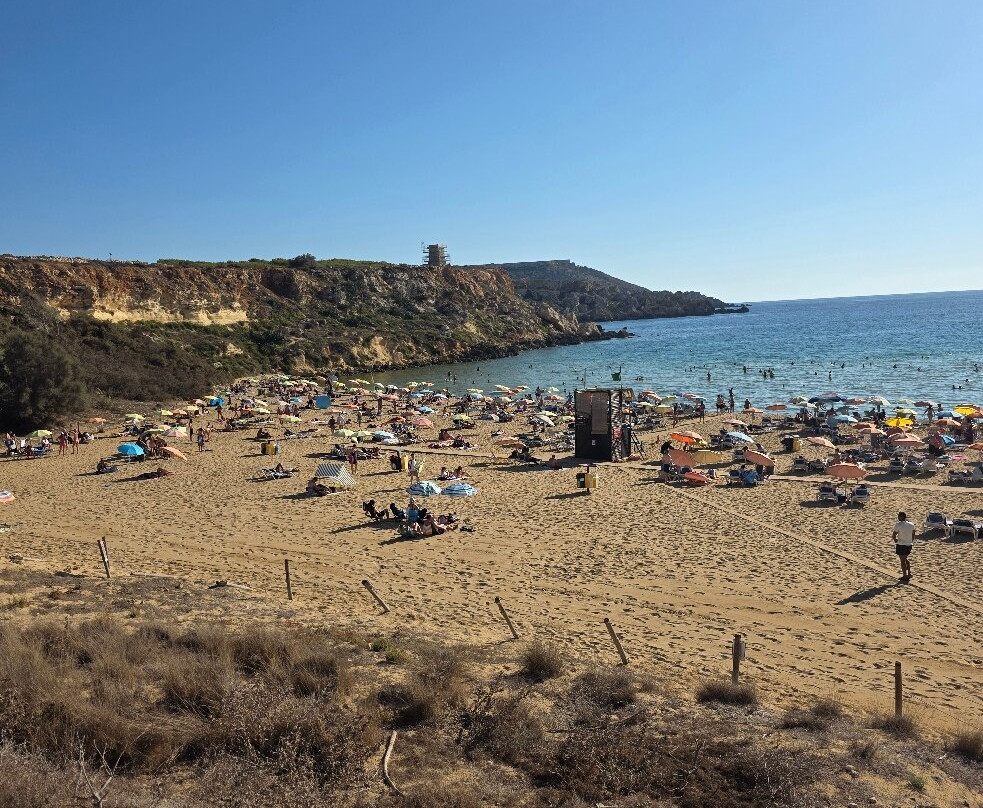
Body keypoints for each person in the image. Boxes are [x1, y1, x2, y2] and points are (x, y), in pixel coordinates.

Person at [892, 511, 915, 581]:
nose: (898, 517)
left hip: (901, 544)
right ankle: (909, 573)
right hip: (909, 544)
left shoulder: (898, 524)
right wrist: (911, 540)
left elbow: (894, 534)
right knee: (905, 559)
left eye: (898, 516)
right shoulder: (911, 524)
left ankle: (904, 576)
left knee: (902, 560)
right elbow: (913, 533)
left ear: (901, 517)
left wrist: (895, 540)